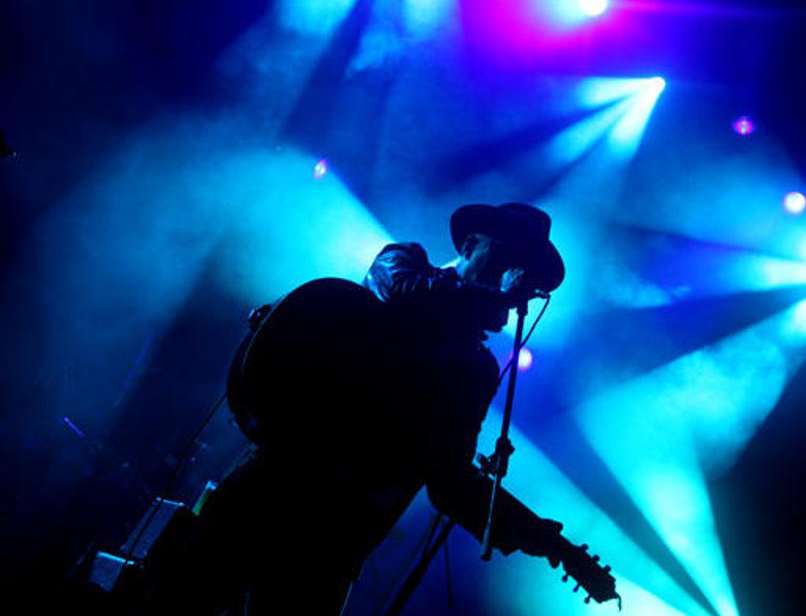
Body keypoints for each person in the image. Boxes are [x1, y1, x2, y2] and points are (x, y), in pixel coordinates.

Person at [139, 203, 569, 615]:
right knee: (182, 600)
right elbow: (400, 293)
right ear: (470, 244)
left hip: (337, 537)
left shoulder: (476, 369)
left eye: (526, 270)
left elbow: (448, 477)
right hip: (274, 483)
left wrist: (536, 535)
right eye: (508, 254)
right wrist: (493, 297)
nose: (515, 274)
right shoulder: (404, 262)